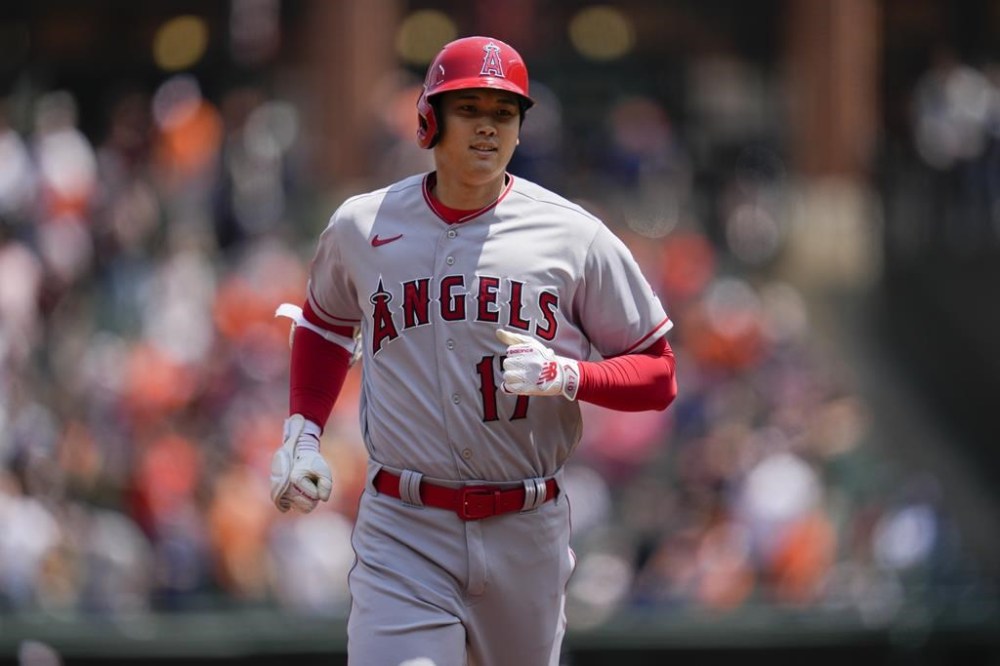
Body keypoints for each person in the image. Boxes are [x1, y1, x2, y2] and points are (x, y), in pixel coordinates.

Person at [269, 35, 678, 666]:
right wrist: (302, 432)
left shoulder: (573, 235)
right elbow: (325, 325)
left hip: (526, 523)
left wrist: (569, 375)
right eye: (470, 110)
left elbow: (657, 374)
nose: (488, 128)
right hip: (405, 522)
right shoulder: (363, 224)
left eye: (503, 113)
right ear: (429, 119)